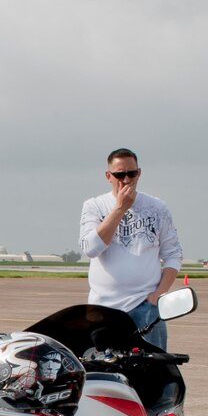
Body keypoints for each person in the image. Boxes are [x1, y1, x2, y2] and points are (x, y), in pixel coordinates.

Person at [79, 148, 181, 348]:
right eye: (119, 175)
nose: (126, 180)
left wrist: (158, 294)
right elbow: (91, 248)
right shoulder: (94, 206)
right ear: (108, 176)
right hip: (102, 309)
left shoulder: (157, 208)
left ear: (139, 173)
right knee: (104, 371)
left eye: (131, 174)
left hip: (145, 307)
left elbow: (173, 254)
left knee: (154, 373)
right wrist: (119, 209)